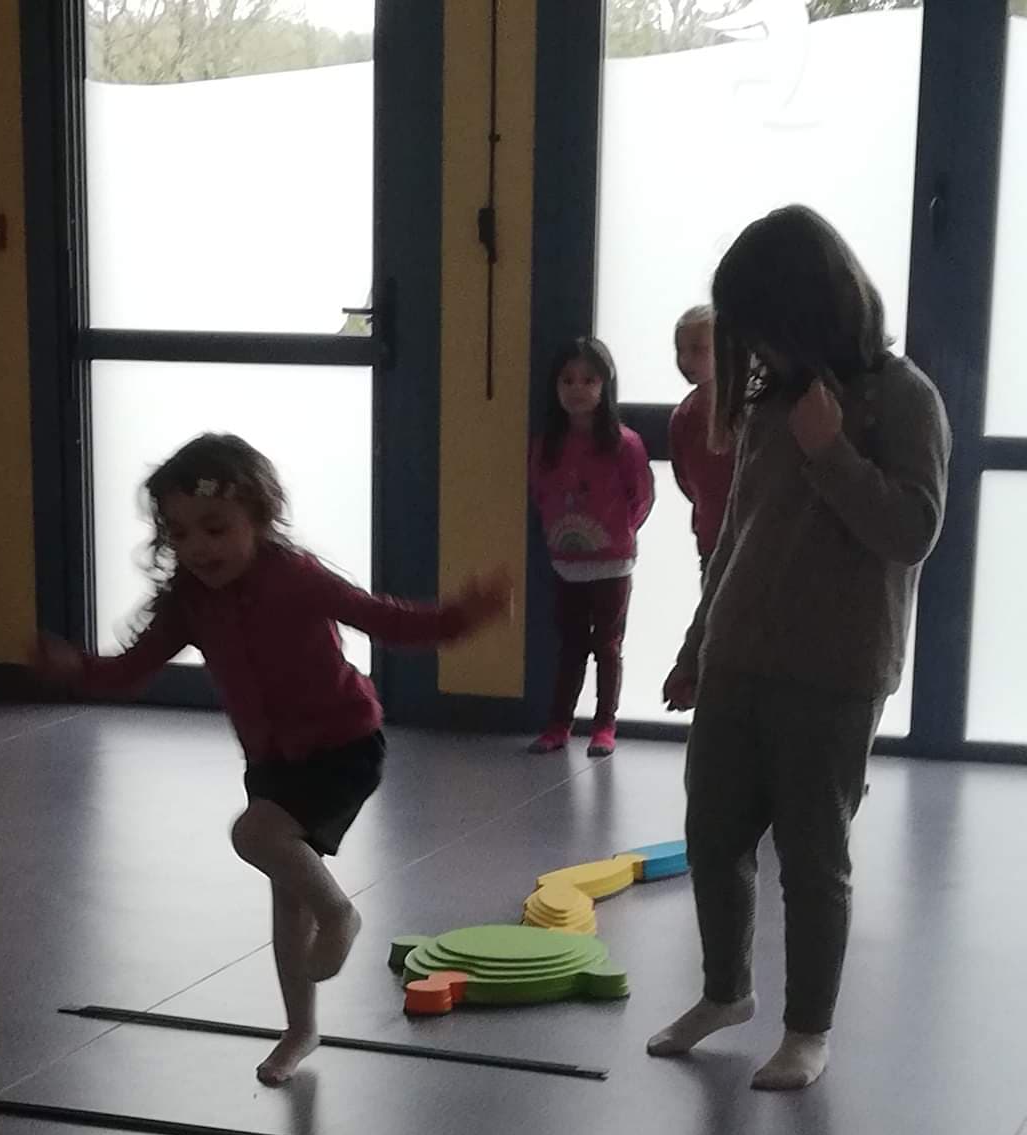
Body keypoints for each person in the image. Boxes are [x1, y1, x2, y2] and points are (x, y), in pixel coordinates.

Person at [35, 433, 511, 1085]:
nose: (199, 547)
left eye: (216, 528)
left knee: (255, 836)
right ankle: (300, 1029)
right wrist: (77, 670)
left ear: (258, 519)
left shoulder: (296, 577)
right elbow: (132, 668)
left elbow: (385, 620)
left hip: (344, 745)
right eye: (180, 533)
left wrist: (461, 618)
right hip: (271, 760)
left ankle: (340, 914)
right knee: (287, 895)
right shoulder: (189, 601)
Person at [649, 206, 950, 1091]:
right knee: (712, 836)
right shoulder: (767, 401)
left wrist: (831, 453)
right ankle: (725, 993)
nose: (754, 348)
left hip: (835, 672)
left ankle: (808, 1029)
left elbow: (912, 530)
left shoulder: (902, 396)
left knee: (814, 862)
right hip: (739, 656)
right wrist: (696, 643)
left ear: (811, 310)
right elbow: (736, 539)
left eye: (763, 326)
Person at [527, 337, 653, 758]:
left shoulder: (625, 444)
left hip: (613, 564)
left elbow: (641, 499)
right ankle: (558, 724)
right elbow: (539, 493)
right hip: (566, 564)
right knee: (571, 646)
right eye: (567, 380)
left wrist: (617, 534)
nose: (577, 389)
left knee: (608, 647)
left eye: (588, 380)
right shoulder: (546, 446)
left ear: (605, 384)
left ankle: (604, 725)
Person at [667, 305, 735, 574]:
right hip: (711, 537)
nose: (685, 360)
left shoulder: (745, 407)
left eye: (697, 349)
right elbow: (683, 476)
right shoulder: (684, 415)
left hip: (749, 535)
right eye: (680, 350)